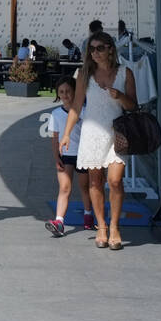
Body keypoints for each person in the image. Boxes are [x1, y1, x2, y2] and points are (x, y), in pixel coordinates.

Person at [60, 32, 137, 250]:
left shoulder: (125, 72)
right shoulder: (84, 74)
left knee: (114, 181)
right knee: (95, 182)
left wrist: (120, 96)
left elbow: (133, 106)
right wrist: (66, 134)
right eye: (91, 49)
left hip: (117, 134)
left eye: (100, 48)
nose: (95, 53)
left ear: (111, 48)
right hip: (92, 134)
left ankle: (114, 227)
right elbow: (76, 106)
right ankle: (101, 227)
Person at [45, 76, 92, 236]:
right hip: (65, 156)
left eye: (68, 91)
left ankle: (88, 215)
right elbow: (55, 138)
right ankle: (59, 221)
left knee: (85, 187)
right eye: (61, 92)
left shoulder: (85, 111)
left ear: (75, 92)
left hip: (83, 155)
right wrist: (56, 157)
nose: (65, 95)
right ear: (58, 94)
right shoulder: (56, 113)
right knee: (64, 188)